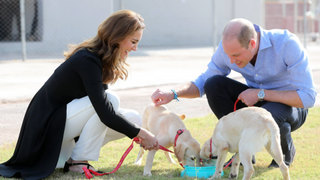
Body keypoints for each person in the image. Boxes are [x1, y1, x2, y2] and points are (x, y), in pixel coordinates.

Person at [0, 9, 159, 180]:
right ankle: (77, 161)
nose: (135, 48)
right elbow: (105, 111)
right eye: (133, 42)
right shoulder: (87, 59)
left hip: (62, 126)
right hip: (45, 128)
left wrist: (137, 130)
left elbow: (102, 111)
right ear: (118, 36)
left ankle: (71, 155)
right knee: (111, 101)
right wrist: (142, 134)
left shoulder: (100, 59)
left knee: (133, 118)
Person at [151, 18, 316, 168]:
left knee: (269, 114)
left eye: (236, 55)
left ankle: (286, 151)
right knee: (213, 84)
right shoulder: (228, 49)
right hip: (256, 99)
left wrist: (261, 94)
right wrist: (173, 93)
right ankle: (243, 153)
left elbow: (307, 97)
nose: (231, 61)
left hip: (291, 106)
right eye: (228, 55)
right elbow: (202, 82)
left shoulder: (287, 44)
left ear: (252, 43)